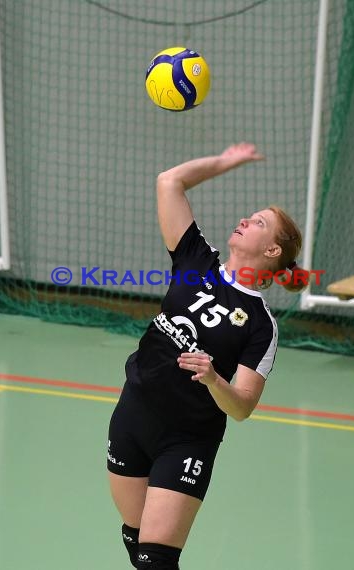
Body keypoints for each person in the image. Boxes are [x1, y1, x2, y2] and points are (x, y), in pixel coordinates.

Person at [107, 142, 306, 569]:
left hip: (187, 439)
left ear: (272, 251)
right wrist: (226, 162)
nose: (243, 220)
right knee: (135, 538)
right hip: (133, 414)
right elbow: (170, 181)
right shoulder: (197, 260)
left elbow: (244, 406)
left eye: (257, 223)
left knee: (155, 560)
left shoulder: (260, 323)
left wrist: (216, 379)